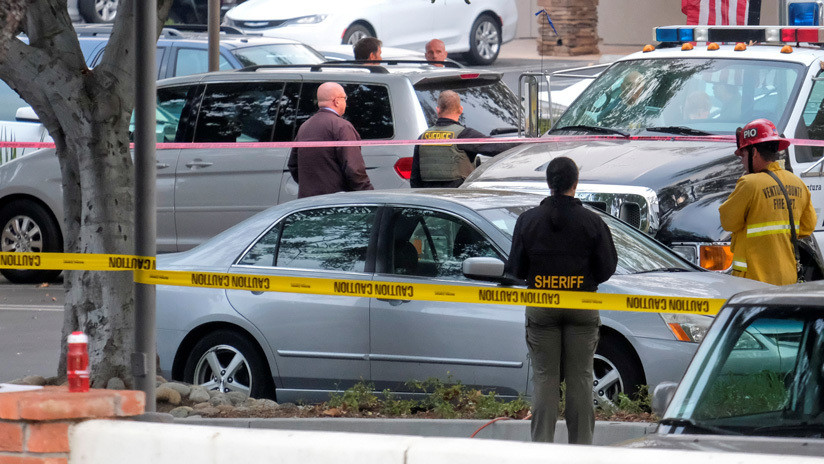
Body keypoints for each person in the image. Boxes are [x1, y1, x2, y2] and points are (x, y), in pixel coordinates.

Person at [505, 156, 617, 445]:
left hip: (542, 307)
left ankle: (542, 449)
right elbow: (607, 268)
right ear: (575, 183)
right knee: (580, 378)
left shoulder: (528, 220)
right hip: (581, 306)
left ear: (549, 184)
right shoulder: (592, 222)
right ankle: (581, 451)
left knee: (545, 379)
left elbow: (515, 269)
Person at [719, 118, 817, 285]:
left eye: (743, 154)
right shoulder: (797, 183)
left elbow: (728, 223)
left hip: (753, 280)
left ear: (754, 152)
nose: (742, 161)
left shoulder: (749, 183)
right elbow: (807, 227)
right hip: (788, 277)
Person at [410, 90, 519, 188]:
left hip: (432, 201)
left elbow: (415, 179)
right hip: (458, 199)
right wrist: (526, 145)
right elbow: (498, 147)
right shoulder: (464, 134)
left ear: (438, 110)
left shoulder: (423, 137)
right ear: (460, 110)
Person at [287, 82, 374, 198]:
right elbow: (354, 168)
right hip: (335, 203)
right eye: (344, 98)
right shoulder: (342, 127)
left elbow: (293, 164)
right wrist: (368, 195)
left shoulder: (304, 127)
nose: (346, 102)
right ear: (336, 101)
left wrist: (310, 186)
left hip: (308, 203)